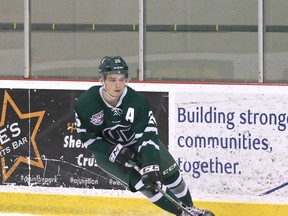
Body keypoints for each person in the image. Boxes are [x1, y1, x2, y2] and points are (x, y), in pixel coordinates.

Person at [74, 56, 215, 216]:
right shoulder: (86, 103)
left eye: (122, 79)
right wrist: (111, 151)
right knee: (145, 185)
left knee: (171, 174)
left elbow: (147, 135)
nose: (118, 84)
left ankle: (190, 208)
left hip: (138, 144)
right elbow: (87, 138)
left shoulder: (137, 102)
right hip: (107, 153)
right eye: (112, 79)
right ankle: (183, 214)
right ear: (102, 80)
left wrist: (150, 164)